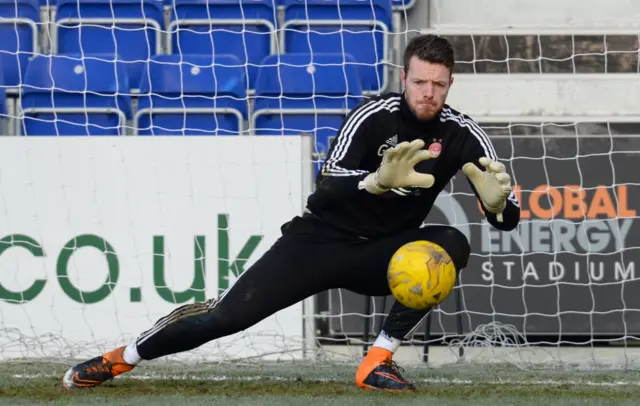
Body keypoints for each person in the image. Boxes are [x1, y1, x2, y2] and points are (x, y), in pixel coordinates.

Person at [62, 34, 520, 392]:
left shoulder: (462, 133)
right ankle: (123, 357)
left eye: (438, 84)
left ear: (450, 84)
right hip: (317, 242)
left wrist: (497, 206)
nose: (428, 93)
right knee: (225, 320)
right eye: (420, 82)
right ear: (404, 77)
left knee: (452, 243)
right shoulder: (372, 116)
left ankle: (377, 360)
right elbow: (323, 190)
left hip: (382, 256)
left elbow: (509, 215)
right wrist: (375, 181)